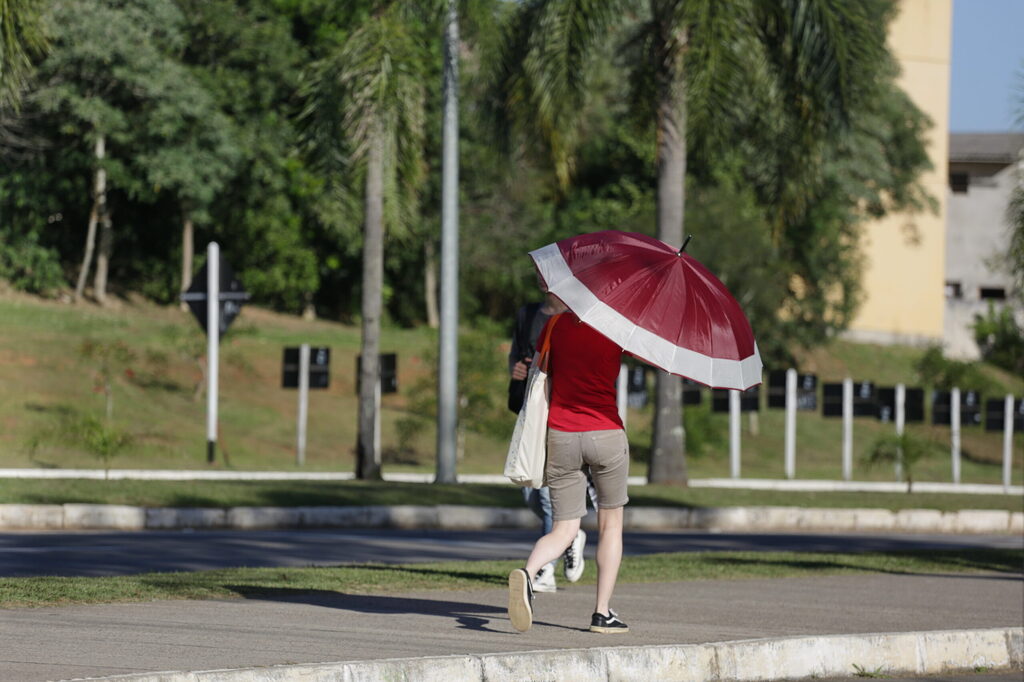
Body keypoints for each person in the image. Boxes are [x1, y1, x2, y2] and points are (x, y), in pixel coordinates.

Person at [508, 306, 630, 634]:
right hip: (606, 432)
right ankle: (602, 613)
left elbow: (540, 371)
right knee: (611, 525)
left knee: (564, 529)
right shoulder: (617, 326)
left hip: (562, 434)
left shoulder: (554, 324)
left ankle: (529, 573)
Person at [508, 292, 587, 593]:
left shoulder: (577, 318)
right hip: (532, 411)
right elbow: (517, 356)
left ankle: (545, 571)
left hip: (561, 412)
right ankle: (569, 535)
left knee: (544, 496)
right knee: (529, 493)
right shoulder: (528, 314)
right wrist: (516, 370)